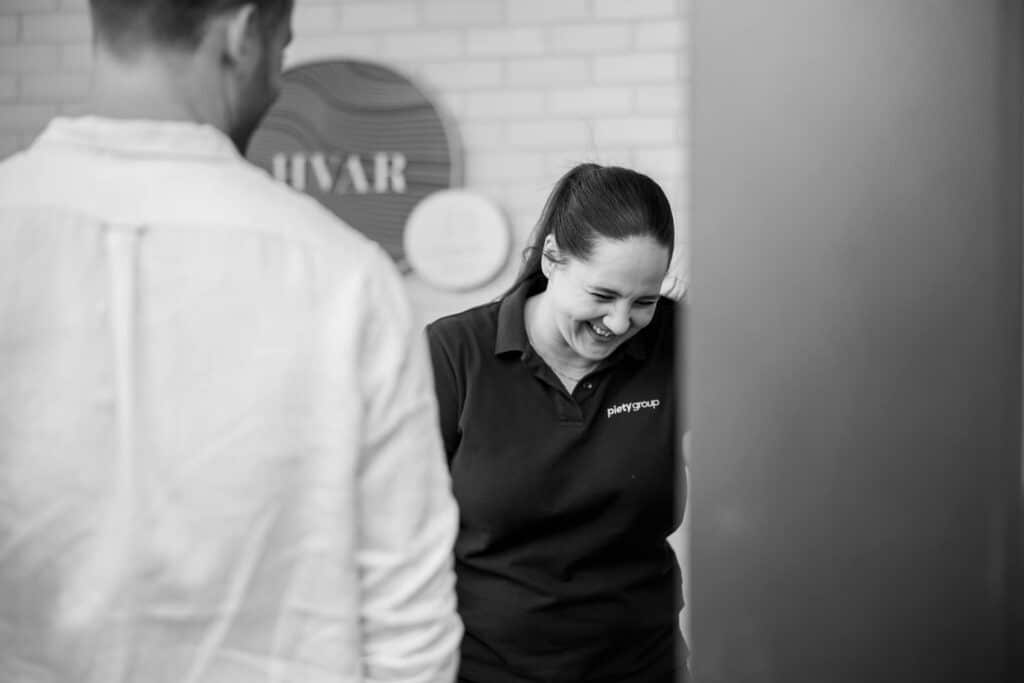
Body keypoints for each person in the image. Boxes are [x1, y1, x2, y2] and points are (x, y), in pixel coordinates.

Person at [0, 1, 462, 681]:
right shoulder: (346, 276)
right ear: (243, 34)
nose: (278, 83)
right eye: (283, 51)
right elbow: (408, 627)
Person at [426, 163, 689, 683]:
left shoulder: (676, 342)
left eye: (645, 302)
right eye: (602, 296)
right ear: (552, 259)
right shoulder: (455, 354)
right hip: (487, 670)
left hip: (644, 667)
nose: (620, 323)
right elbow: (394, 531)